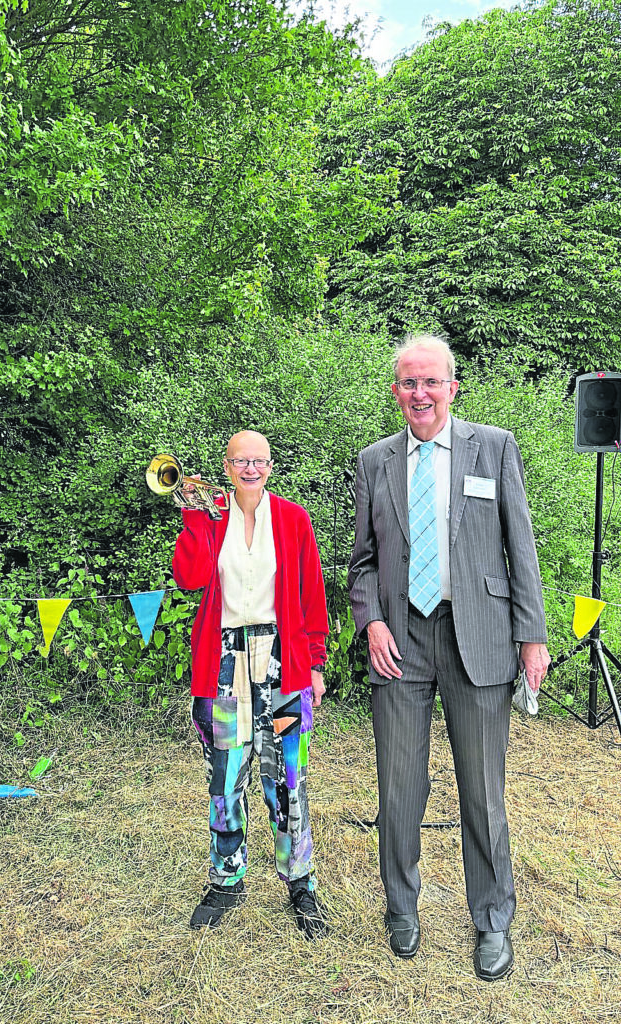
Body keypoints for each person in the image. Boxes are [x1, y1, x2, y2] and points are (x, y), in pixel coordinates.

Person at [348, 334, 550, 980]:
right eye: (409, 383)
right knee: (400, 788)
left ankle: (492, 919)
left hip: (481, 638)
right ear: (395, 392)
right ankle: (400, 907)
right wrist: (372, 622)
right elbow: (362, 564)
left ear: (453, 387)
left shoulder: (493, 447)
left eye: (432, 382)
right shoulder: (375, 462)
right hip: (401, 643)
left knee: (482, 793)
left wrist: (532, 635)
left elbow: (522, 548)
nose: (421, 394)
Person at [172, 430, 330, 940]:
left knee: (287, 777)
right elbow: (189, 578)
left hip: (283, 662)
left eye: (258, 460)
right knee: (225, 776)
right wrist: (194, 516)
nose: (251, 468)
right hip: (221, 664)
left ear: (269, 465)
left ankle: (299, 881)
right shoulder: (211, 516)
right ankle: (227, 878)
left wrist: (316, 663)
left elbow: (311, 595)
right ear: (226, 465)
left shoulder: (293, 519)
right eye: (241, 460)